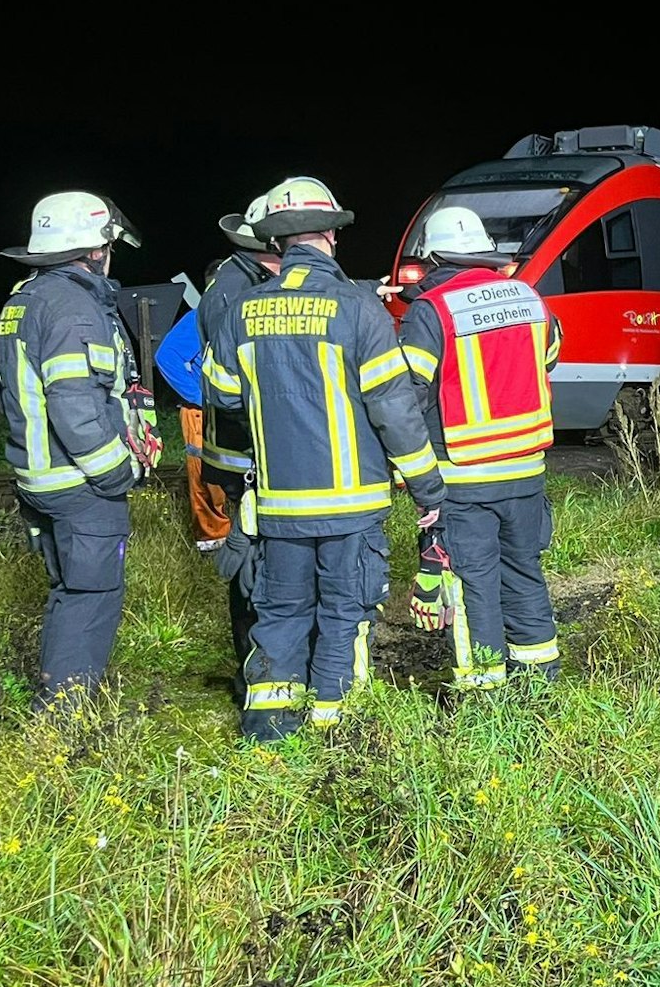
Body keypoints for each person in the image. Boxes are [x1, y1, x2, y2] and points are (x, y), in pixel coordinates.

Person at [202, 176, 447, 741]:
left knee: (280, 616)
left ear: (277, 242)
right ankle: (334, 735)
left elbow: (221, 394)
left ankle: (268, 735)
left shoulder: (242, 310)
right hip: (351, 508)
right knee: (343, 614)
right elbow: (394, 411)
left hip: (278, 505)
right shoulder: (357, 310)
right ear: (332, 236)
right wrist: (428, 488)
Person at [0, 192, 162, 712]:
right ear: (94, 248)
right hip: (79, 483)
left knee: (68, 592)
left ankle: (58, 704)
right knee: (92, 598)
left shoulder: (26, 297)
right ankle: (65, 718)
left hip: (39, 478)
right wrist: (117, 474)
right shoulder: (73, 307)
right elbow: (74, 407)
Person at [395, 206, 565, 688]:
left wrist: (408, 469)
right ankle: (540, 677)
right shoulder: (531, 298)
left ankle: (483, 691)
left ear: (432, 259)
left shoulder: (432, 310)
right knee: (524, 571)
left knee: (474, 587)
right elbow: (549, 357)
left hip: (464, 476)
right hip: (527, 470)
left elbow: (409, 393)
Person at [199, 194, 281, 670]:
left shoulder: (236, 282)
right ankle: (257, 665)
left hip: (244, 451)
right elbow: (237, 386)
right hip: (244, 453)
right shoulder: (236, 293)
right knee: (254, 566)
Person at [152, 259, 232, 550]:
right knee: (206, 477)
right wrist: (201, 396)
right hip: (201, 413)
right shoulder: (199, 317)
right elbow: (167, 357)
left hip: (232, 410)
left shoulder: (236, 315)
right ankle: (212, 539)